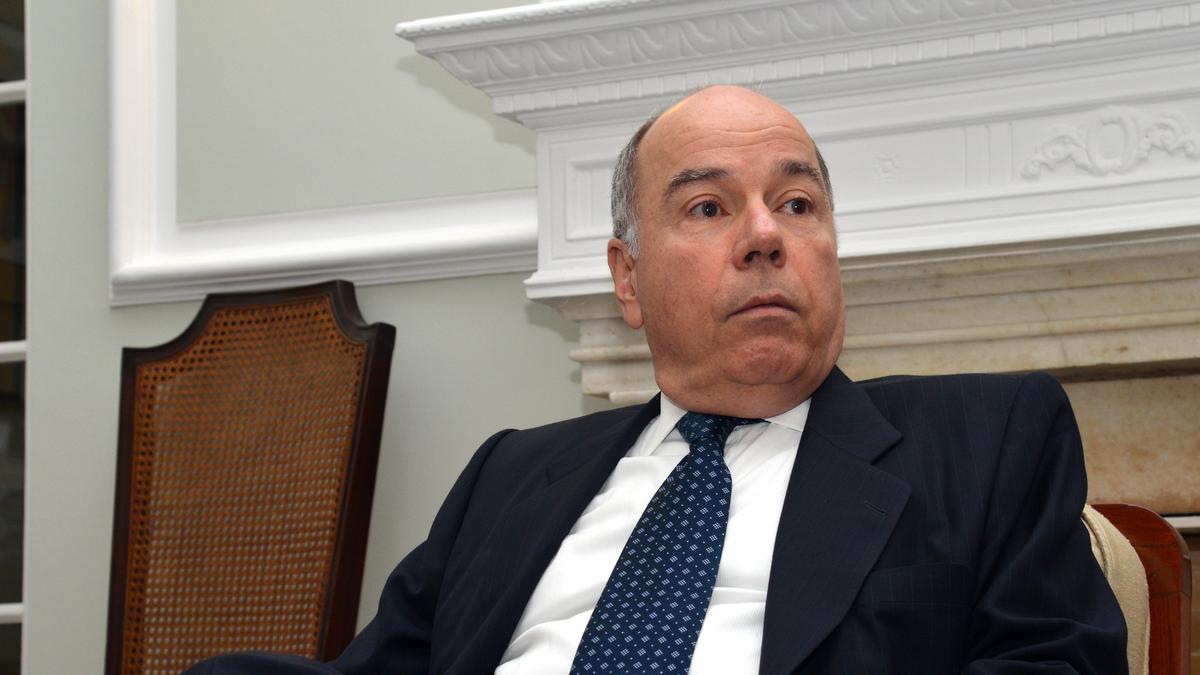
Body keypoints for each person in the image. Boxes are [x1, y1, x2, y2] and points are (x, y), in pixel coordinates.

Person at [188, 86, 1127, 674]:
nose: (766, 235)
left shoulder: (986, 435)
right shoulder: (511, 476)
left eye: (797, 203)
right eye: (709, 207)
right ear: (628, 278)